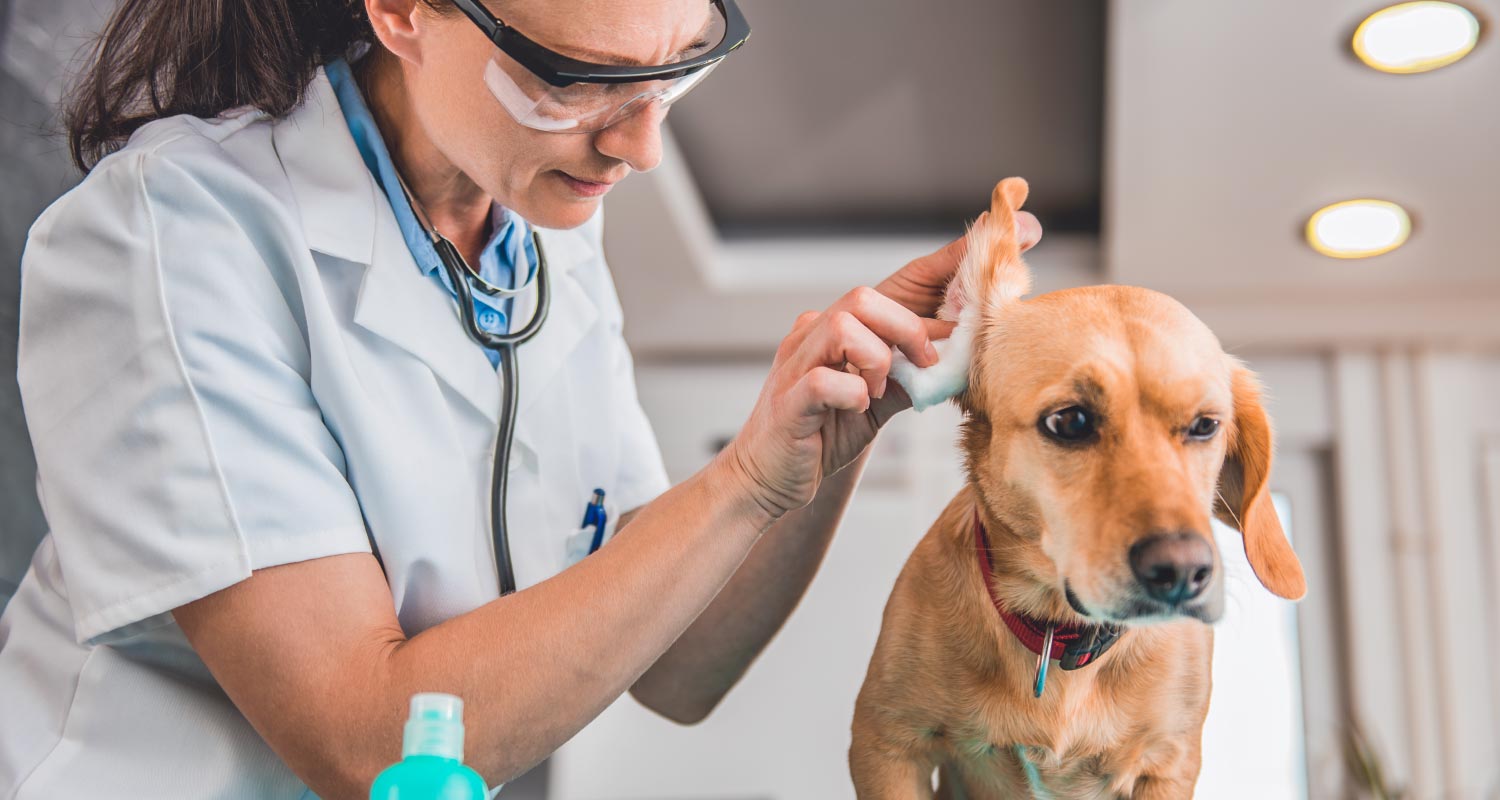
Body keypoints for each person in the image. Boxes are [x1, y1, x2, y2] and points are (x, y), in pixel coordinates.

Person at [0, 0, 1041, 797]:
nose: (641, 148)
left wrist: (830, 436)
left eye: (680, 69)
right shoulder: (171, 237)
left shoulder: (539, 227)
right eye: (577, 80)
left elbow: (678, 665)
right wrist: (740, 479)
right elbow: (365, 739)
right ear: (402, 12)